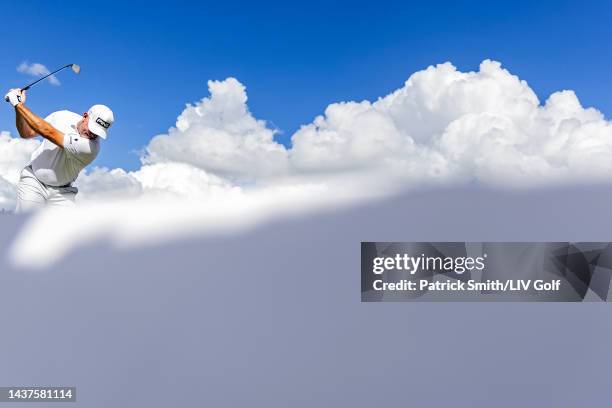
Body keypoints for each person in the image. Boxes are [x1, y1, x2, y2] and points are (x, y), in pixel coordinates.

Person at [4, 88, 114, 212]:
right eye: (91, 129)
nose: (93, 135)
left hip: (63, 193)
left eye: (97, 132)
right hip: (34, 180)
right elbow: (26, 133)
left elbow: (48, 132)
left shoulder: (90, 148)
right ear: (85, 116)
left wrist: (18, 104)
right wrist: (19, 107)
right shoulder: (62, 115)